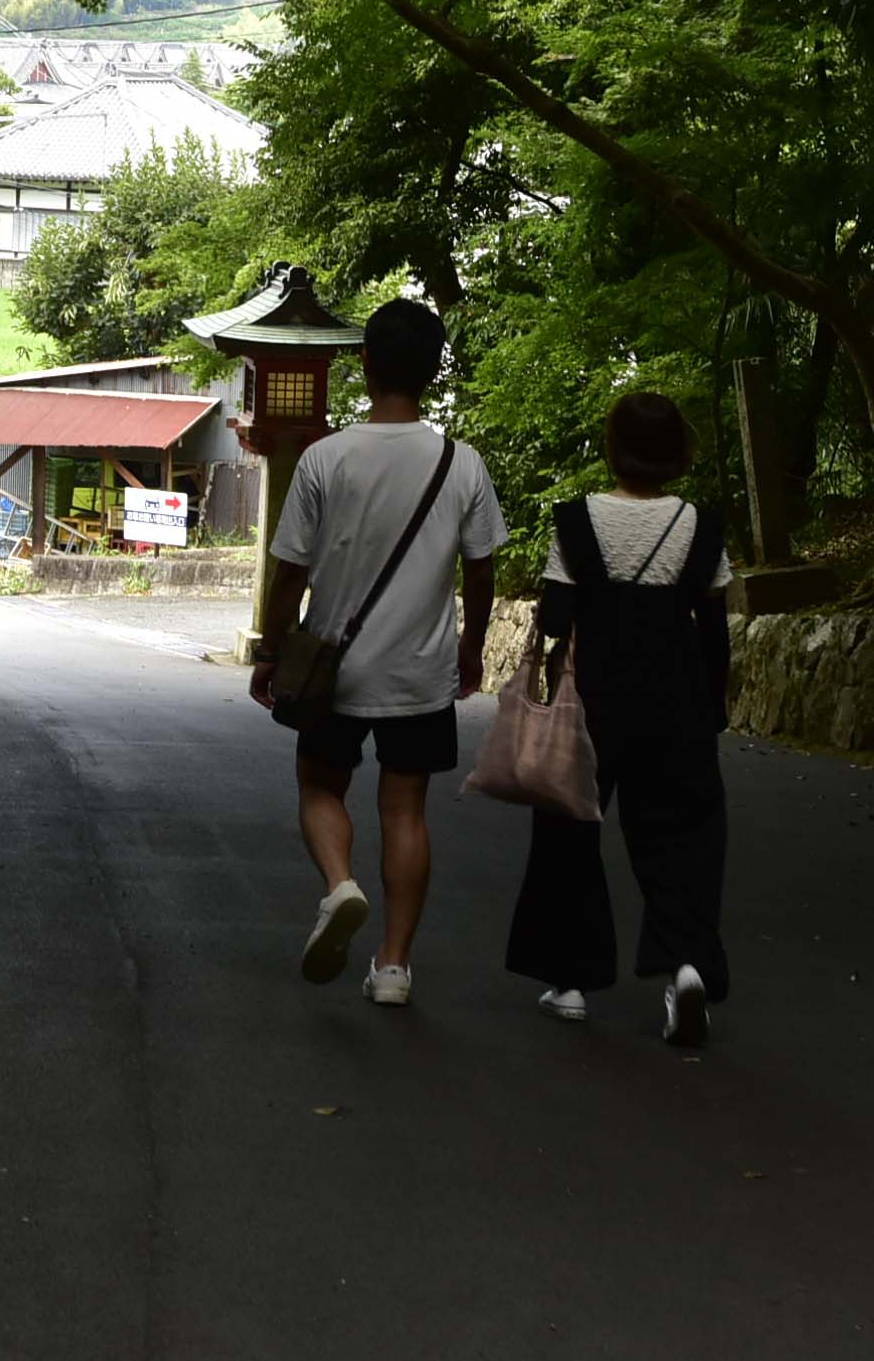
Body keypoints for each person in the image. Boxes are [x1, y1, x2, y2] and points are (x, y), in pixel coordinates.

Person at [250, 298, 508, 1007]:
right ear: (434, 369)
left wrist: (271, 649)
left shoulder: (325, 458)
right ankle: (393, 967)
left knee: (319, 787)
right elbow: (481, 569)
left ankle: (340, 885)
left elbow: (291, 569)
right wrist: (472, 646)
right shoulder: (463, 464)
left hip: (334, 667)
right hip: (419, 671)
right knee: (406, 811)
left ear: (363, 363)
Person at [505, 393, 733, 1045]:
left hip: (593, 699)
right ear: (677, 452)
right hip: (678, 700)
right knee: (685, 837)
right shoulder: (702, 526)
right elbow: (714, 632)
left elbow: (555, 621)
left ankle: (571, 983)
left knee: (568, 830)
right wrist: (712, 707)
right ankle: (685, 968)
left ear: (615, 447)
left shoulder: (578, 522)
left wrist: (548, 694)